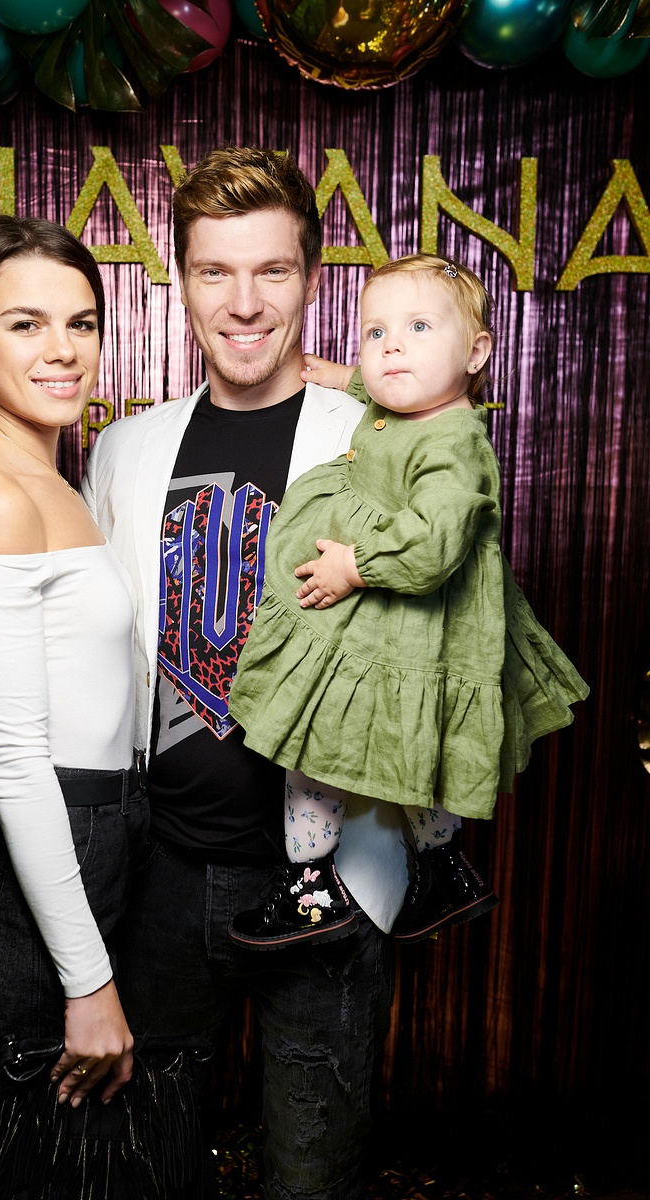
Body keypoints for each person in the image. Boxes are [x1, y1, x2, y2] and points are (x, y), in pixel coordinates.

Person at [77, 146, 411, 1200]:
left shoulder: (380, 439)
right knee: (142, 1164)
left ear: (311, 279)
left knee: (313, 1174)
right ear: (180, 282)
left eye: (273, 270)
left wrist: (366, 385)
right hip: (165, 875)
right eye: (215, 271)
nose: (245, 302)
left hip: (329, 876)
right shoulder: (124, 452)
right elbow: (85, 643)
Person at [0, 215, 190, 1198]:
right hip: (34, 876)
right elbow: (17, 765)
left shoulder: (52, 478)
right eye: (26, 324)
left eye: (82, 322)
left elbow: (46, 678)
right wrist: (89, 984)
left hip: (101, 842)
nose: (62, 349)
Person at [226, 254, 589, 950]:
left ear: (476, 353)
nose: (391, 347)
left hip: (402, 621)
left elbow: (431, 545)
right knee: (414, 746)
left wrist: (354, 565)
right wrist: (342, 376)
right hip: (401, 634)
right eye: (376, 332)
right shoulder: (412, 402)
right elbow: (385, 384)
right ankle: (445, 868)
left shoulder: (454, 442)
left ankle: (310, 888)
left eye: (419, 327)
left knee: (316, 746)